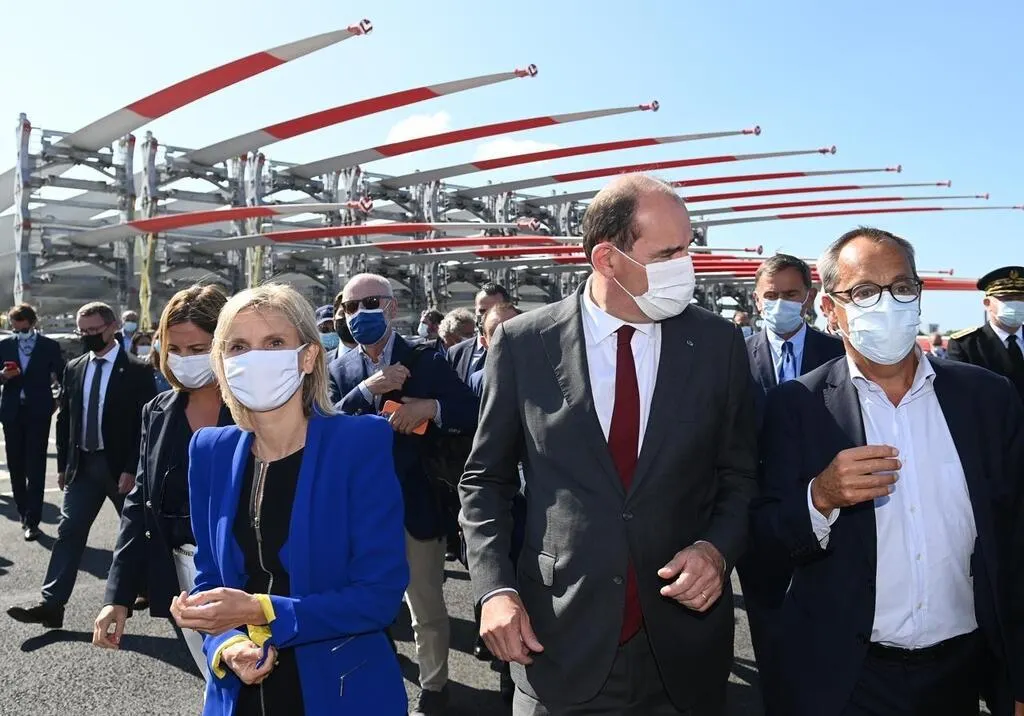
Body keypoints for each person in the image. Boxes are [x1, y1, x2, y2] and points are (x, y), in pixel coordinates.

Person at [461, 174, 758, 715]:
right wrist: (493, 590)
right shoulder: (524, 343)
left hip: (682, 654)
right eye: (669, 252)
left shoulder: (718, 344)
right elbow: (486, 480)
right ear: (607, 259)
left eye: (688, 247)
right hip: (556, 642)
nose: (687, 264)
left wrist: (716, 550)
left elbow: (740, 475)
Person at [750, 227, 1023, 716]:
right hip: (848, 678)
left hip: (961, 671)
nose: (887, 304)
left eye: (900, 288)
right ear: (831, 312)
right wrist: (820, 497)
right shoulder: (797, 407)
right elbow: (764, 542)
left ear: (917, 297)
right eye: (863, 292)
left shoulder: (987, 399)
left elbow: (1016, 539)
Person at [170, 283, 409, 715]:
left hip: (340, 691)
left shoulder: (359, 443)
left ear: (308, 356)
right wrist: (227, 643)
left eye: (274, 342)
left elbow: (378, 597)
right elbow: (209, 578)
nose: (255, 357)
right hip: (240, 696)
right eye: (238, 345)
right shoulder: (210, 450)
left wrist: (261, 610)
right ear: (222, 362)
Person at [328, 272, 479, 716]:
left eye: (367, 304)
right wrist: (366, 390)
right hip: (361, 511)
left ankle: (434, 688)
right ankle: (376, 677)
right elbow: (325, 426)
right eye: (350, 307)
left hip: (416, 503)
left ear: (391, 308)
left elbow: (469, 410)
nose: (357, 315)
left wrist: (426, 408)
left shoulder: (427, 357)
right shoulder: (340, 369)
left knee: (426, 604)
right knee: (366, 602)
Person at [93, 286, 234, 679]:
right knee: (214, 679)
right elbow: (139, 504)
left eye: (198, 348)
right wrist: (117, 597)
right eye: (176, 349)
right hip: (182, 576)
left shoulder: (256, 406)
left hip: (249, 575)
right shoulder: (157, 410)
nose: (185, 360)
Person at [7, 302, 156, 628]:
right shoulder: (74, 367)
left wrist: (133, 467)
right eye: (83, 331)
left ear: (113, 326)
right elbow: (66, 421)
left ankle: (147, 586)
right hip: (82, 467)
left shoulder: (137, 370)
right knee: (69, 531)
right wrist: (62, 465)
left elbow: (145, 426)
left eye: (94, 330)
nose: (88, 337)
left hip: (120, 468)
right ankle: (51, 605)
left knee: (137, 532)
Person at [739, 253, 844, 715]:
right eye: (771, 295)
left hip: (830, 516)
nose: (781, 302)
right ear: (756, 298)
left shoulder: (838, 354)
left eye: (791, 294)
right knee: (770, 640)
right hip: (758, 521)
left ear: (810, 298)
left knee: (829, 638)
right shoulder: (733, 356)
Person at [0, 303, 65, 540]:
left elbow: (63, 374)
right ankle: (22, 511)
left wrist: (57, 398)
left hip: (38, 411)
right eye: (16, 330)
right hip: (12, 412)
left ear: (33, 324)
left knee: (35, 466)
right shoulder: (4, 345)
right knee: (15, 465)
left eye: (24, 329)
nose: (20, 334)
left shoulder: (49, 346)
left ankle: (33, 519)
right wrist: (3, 376)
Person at [947, 265, 1024, 401]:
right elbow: (962, 397)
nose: (1016, 304)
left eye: (1021, 298)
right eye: (1007, 298)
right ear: (987, 303)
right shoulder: (966, 345)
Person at [447, 284, 511, 383]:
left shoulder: (520, 350)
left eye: (494, 310)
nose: (487, 316)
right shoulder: (456, 353)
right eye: (482, 311)